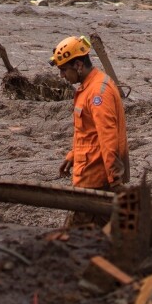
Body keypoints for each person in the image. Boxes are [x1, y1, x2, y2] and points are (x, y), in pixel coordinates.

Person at [49, 35, 128, 193]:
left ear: (78, 65)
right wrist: (73, 155)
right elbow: (88, 133)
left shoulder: (98, 93)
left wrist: (114, 179)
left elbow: (108, 138)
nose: (61, 76)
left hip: (95, 180)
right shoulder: (89, 87)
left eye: (64, 70)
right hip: (88, 174)